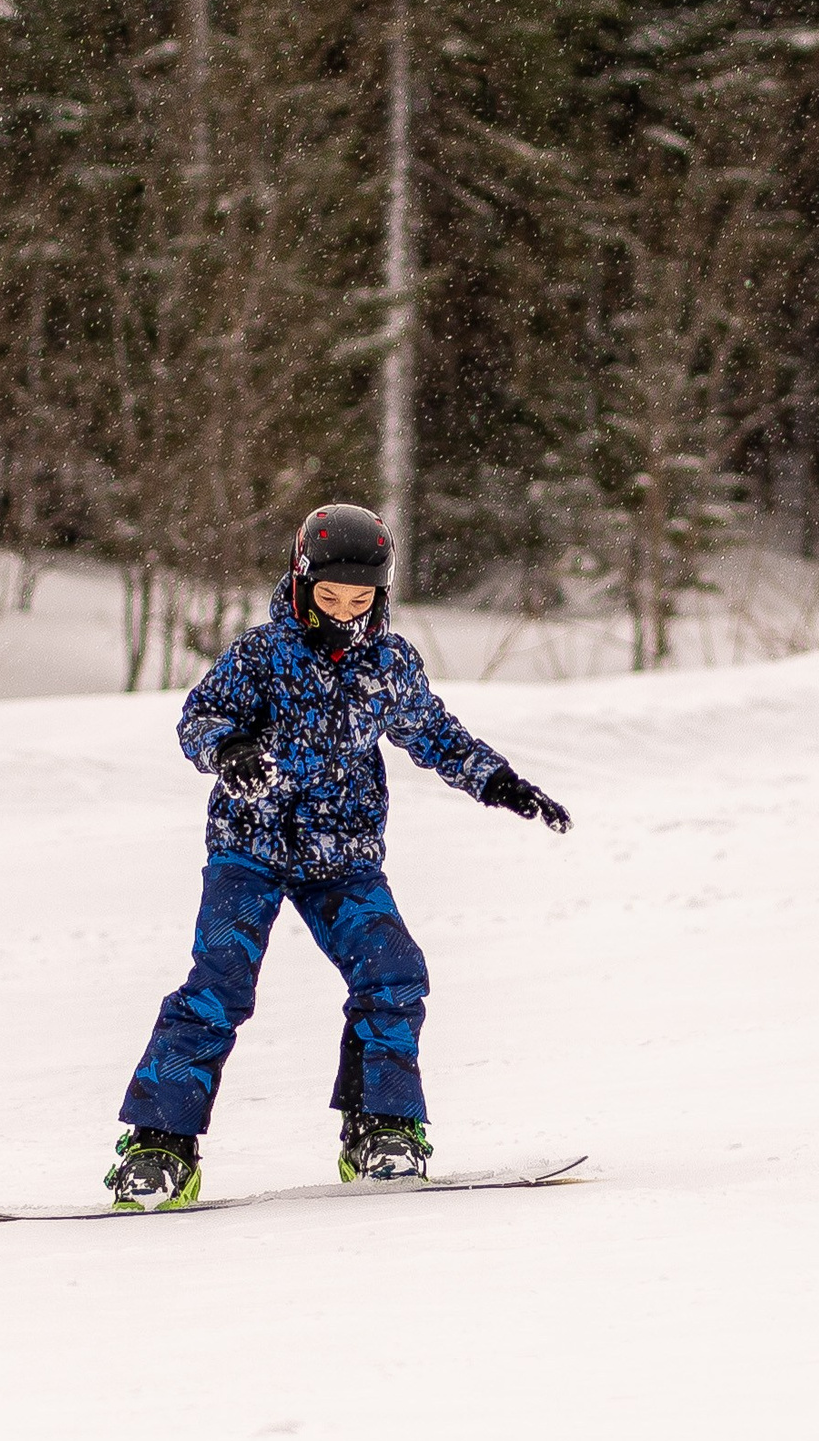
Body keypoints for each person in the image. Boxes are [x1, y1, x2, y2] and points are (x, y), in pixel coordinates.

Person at [106, 503, 573, 1211]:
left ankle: (381, 1129)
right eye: (331, 598)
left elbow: (435, 735)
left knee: (393, 973)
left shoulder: (388, 663)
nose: (347, 614)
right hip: (251, 848)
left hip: (344, 857)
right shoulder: (262, 655)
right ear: (301, 582)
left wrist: (500, 782)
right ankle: (159, 1148)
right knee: (219, 985)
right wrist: (229, 754)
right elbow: (199, 720)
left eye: (362, 600)